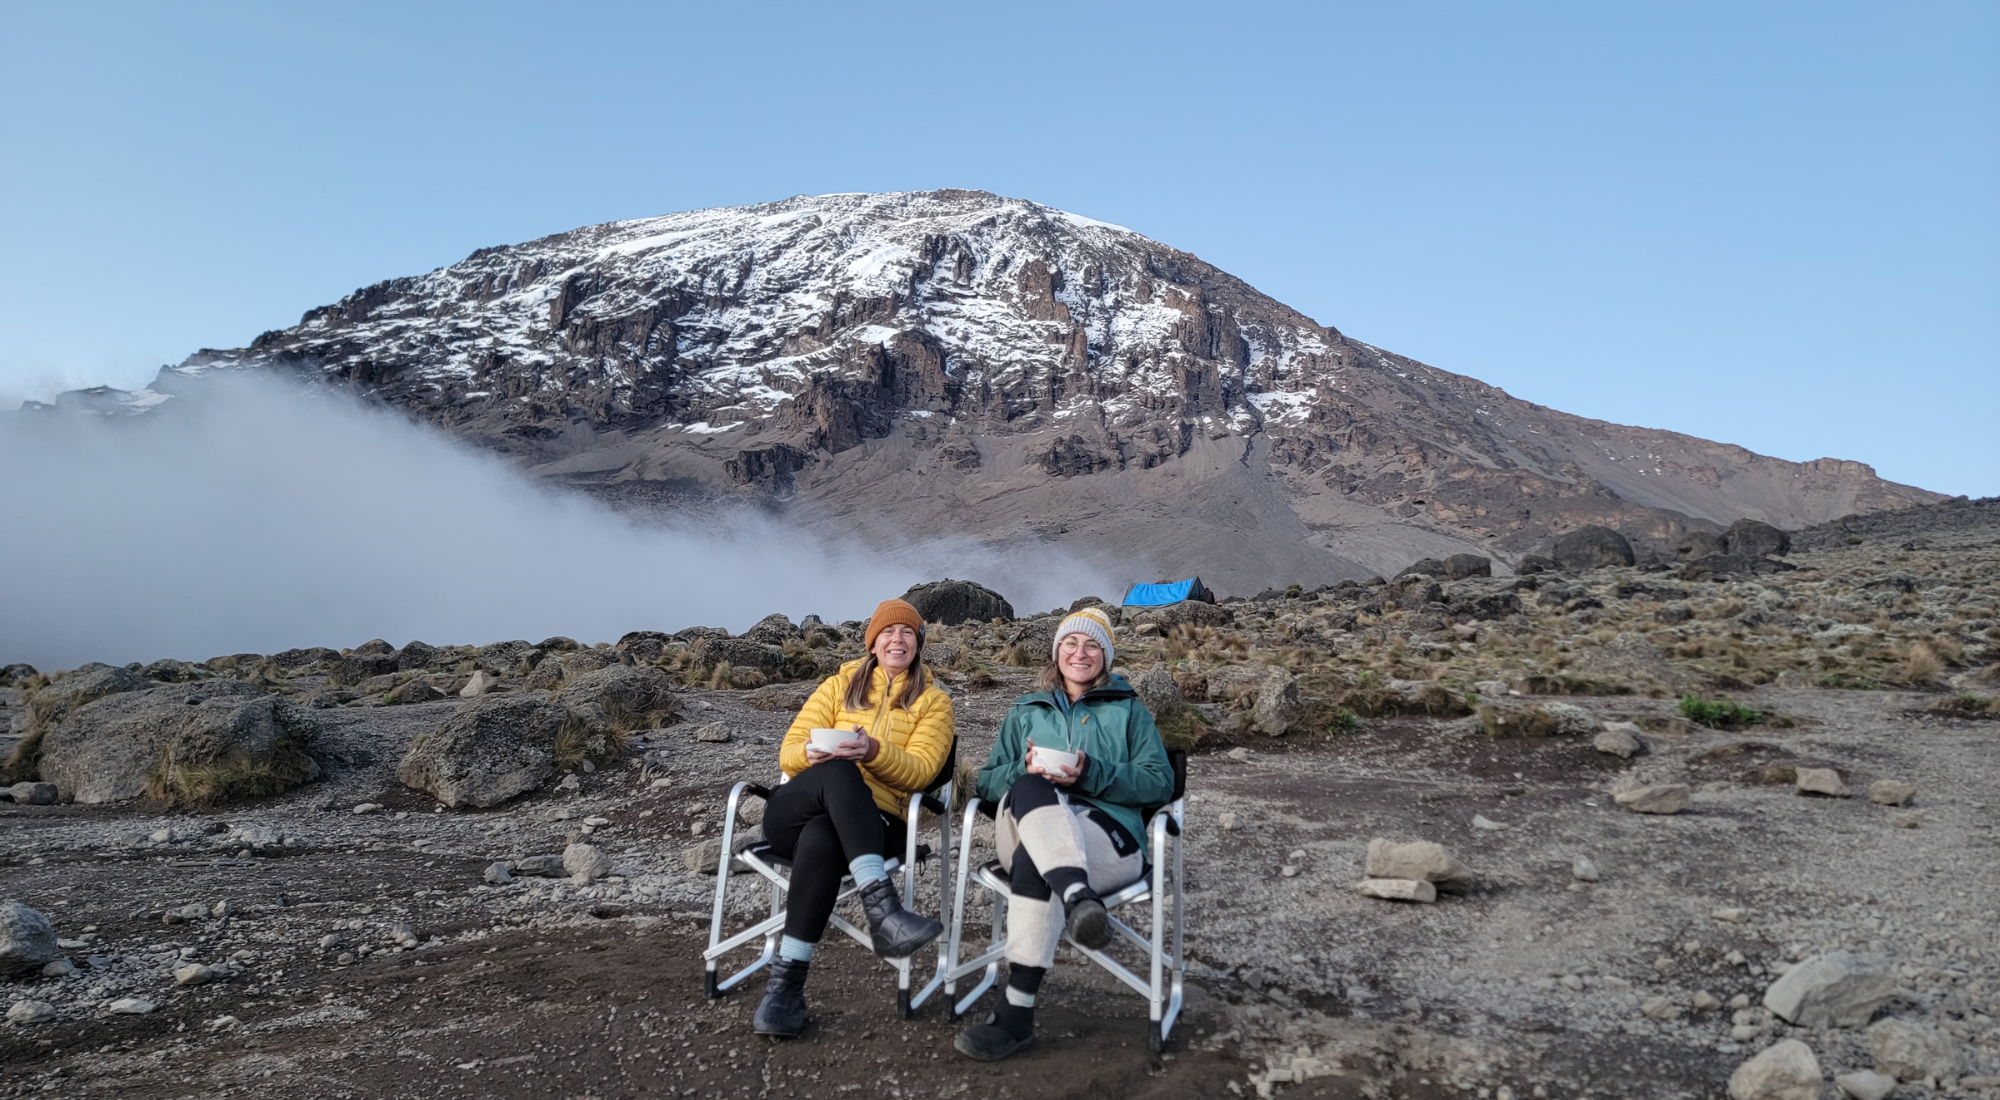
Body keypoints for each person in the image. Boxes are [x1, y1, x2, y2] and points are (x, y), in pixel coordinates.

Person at [954, 606, 1175, 1061]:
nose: (1080, 652)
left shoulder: (1129, 710)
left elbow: (1160, 782)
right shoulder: (1024, 711)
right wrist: (1025, 769)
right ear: (1056, 654)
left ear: (1105, 657)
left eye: (1092, 644)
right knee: (1032, 787)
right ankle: (1077, 898)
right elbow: (989, 783)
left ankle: (1015, 1015)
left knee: (1041, 855)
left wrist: (1090, 773)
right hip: (1027, 829)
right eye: (1071, 643)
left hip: (1104, 838)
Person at [753, 597, 954, 1038]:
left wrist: (874, 752)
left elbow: (922, 772)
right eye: (887, 632)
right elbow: (788, 750)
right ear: (872, 643)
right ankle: (882, 910)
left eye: (906, 632)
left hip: (875, 823)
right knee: (838, 772)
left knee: (825, 838)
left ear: (918, 644)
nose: (897, 639)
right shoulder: (836, 686)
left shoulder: (934, 702)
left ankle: (784, 990)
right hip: (796, 811)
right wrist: (811, 753)